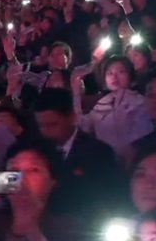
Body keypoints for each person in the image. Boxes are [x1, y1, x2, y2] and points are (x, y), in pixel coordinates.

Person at [33, 88, 126, 216]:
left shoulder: (99, 153)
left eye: (52, 125)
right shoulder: (33, 148)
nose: (45, 131)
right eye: (41, 125)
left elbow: (111, 196)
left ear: (71, 117)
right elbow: (11, 180)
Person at [73, 55, 154, 155]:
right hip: (106, 160)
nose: (114, 77)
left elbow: (144, 134)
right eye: (109, 73)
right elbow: (83, 125)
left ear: (130, 77)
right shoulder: (100, 104)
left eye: (121, 72)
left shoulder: (140, 102)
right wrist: (76, 94)